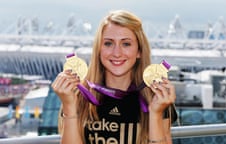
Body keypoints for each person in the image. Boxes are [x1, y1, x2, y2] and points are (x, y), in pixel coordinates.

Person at [52, 10, 177, 144]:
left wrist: (155, 114)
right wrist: (69, 107)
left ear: (139, 51)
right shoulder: (78, 95)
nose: (117, 53)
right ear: (98, 49)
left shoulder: (156, 96)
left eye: (126, 44)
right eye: (108, 43)